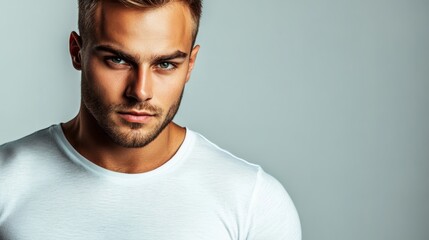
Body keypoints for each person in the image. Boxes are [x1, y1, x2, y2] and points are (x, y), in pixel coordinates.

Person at [0, 0, 301, 239]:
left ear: (190, 64)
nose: (140, 91)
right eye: (118, 60)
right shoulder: (6, 181)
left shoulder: (252, 201)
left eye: (166, 64)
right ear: (77, 52)